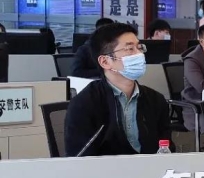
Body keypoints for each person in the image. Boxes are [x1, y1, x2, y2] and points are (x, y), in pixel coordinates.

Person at [64, 23, 171, 157]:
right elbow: (78, 157)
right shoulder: (85, 103)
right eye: (130, 49)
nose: (139, 54)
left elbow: (166, 149)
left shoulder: (156, 100)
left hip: (150, 169)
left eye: (139, 47)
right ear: (105, 62)